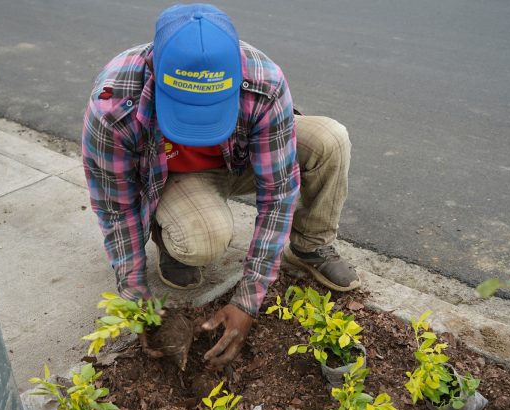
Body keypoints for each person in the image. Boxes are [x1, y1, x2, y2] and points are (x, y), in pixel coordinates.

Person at [82, 3, 359, 370]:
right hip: (174, 174)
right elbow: (117, 208)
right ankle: (170, 238)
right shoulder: (115, 106)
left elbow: (278, 193)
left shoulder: (263, 81)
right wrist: (137, 302)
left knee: (330, 139)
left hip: (244, 156)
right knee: (203, 238)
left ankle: (310, 247)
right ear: (154, 70)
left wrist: (249, 298)